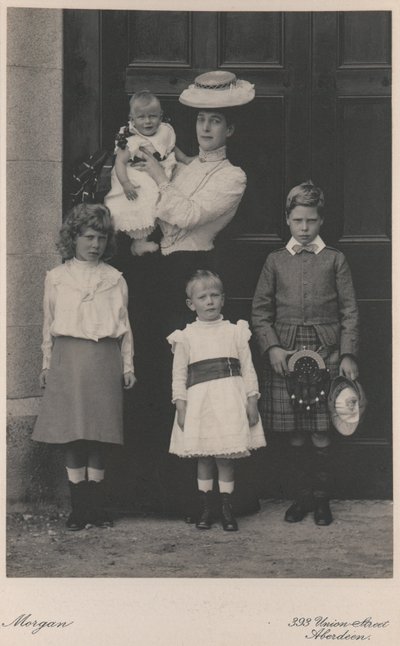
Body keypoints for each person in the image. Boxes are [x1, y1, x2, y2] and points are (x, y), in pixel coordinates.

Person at [132, 71, 258, 521]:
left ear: (230, 130)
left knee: (196, 386)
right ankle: (158, 494)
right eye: (201, 119)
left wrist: (157, 178)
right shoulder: (184, 166)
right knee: (155, 377)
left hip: (190, 274)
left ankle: (202, 498)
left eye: (216, 122)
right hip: (157, 276)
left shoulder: (233, 177)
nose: (206, 128)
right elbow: (151, 211)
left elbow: (184, 215)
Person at [251, 180, 359, 526]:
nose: (304, 228)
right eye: (298, 221)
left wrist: (347, 354)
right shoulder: (275, 261)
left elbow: (350, 312)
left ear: (321, 220)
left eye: (311, 221)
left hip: (326, 352)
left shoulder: (335, 260)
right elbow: (260, 312)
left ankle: (322, 500)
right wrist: (272, 347)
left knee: (321, 430)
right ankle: (301, 498)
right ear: (287, 219)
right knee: (295, 431)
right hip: (287, 355)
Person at [32, 203, 136, 531]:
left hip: (104, 358)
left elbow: (125, 325)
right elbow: (48, 323)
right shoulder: (57, 278)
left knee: (99, 436)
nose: (95, 245)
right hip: (68, 360)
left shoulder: (114, 278)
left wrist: (127, 365)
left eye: (101, 238)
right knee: (73, 435)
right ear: (73, 238)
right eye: (89, 237)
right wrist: (47, 363)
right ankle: (79, 508)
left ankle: (96, 505)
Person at [168, 270, 266, 531]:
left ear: (223, 299)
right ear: (192, 304)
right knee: (204, 457)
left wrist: (252, 400)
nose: (209, 301)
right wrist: (181, 405)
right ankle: (206, 508)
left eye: (214, 295)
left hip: (230, 402)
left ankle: (226, 508)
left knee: (225, 457)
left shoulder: (235, 332)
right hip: (200, 403)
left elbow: (248, 368)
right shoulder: (185, 336)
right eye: (202, 297)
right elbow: (178, 375)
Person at [104, 90, 190, 257]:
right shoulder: (131, 139)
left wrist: (185, 158)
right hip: (136, 173)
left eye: (152, 116)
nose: (148, 121)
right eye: (141, 117)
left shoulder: (165, 130)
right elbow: (120, 162)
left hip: (160, 168)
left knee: (168, 196)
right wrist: (126, 183)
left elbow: (171, 148)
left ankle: (169, 236)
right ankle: (139, 242)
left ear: (160, 116)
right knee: (143, 200)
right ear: (132, 119)